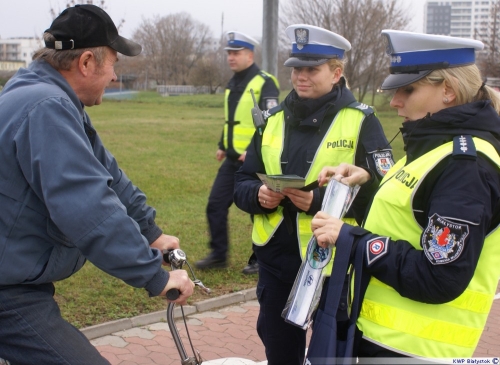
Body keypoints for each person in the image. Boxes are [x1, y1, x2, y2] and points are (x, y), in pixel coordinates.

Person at [0, 5, 194, 365]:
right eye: (113, 64)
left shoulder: (46, 95)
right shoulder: (47, 107)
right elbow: (88, 206)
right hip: (8, 291)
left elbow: (109, 176)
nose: (115, 77)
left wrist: (151, 232)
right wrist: (154, 276)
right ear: (87, 62)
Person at [311, 29, 500, 360]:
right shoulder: (436, 145)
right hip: (384, 339)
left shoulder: (465, 166)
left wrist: (351, 239)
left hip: (415, 350)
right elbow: (408, 218)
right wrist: (366, 184)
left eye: (407, 90)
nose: (394, 101)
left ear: (449, 91)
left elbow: (437, 277)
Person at [233, 24, 394, 365]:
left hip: (334, 266)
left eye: (312, 69)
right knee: (280, 352)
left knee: (333, 354)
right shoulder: (271, 121)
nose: (301, 76)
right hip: (276, 262)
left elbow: (383, 194)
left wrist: (320, 203)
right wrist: (259, 195)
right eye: (296, 68)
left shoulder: (362, 121)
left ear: (337, 72)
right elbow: (241, 183)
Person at [195, 31, 280, 273]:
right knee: (215, 205)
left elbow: (271, 121)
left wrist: (251, 151)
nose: (231, 58)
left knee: (259, 210)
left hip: (254, 161)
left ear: (250, 55)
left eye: (236, 53)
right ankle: (218, 255)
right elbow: (232, 120)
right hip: (233, 160)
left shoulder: (265, 82)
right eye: (229, 54)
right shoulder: (232, 83)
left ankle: (260, 259)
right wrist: (223, 144)